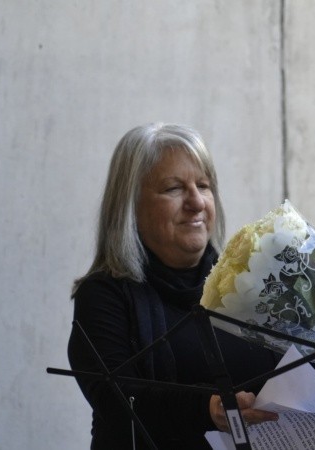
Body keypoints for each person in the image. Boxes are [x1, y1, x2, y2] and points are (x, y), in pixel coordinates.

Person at [67, 123, 280, 449]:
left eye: (204, 186)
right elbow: (119, 400)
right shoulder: (104, 296)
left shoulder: (250, 283)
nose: (196, 202)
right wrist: (206, 409)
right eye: (173, 189)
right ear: (131, 205)